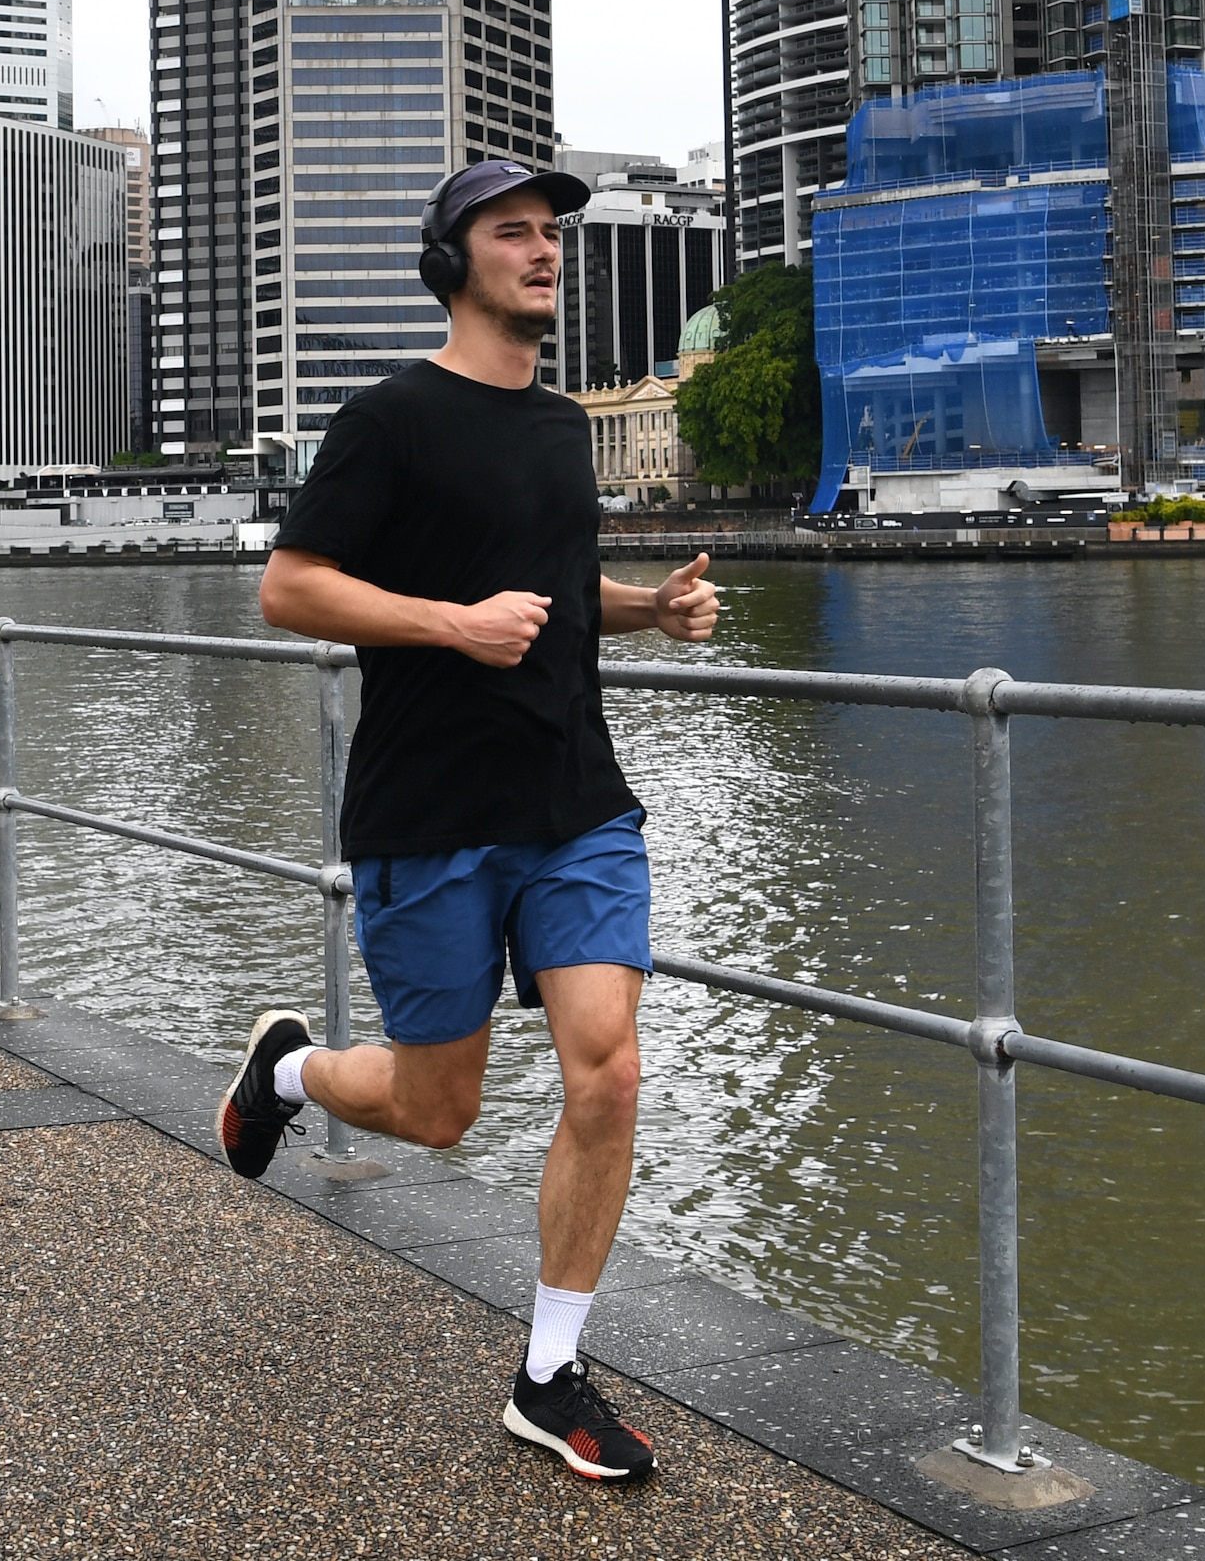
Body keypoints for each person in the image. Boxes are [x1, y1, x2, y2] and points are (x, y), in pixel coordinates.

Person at [216, 158, 722, 1485]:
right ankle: (285, 1072)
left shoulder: (562, 427)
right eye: (515, 235)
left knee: (606, 1069)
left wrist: (647, 611)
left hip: (575, 802)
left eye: (554, 234)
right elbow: (290, 590)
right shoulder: (388, 421)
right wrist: (450, 623)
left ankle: (550, 1375)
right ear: (453, 263)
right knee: (439, 1111)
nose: (546, 252)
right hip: (431, 812)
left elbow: (548, 595)